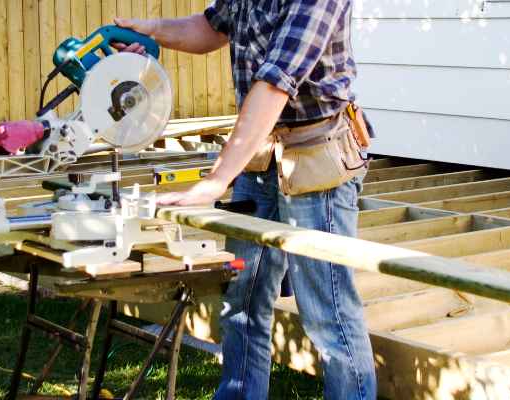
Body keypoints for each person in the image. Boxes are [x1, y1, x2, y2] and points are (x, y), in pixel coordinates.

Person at [115, 0, 376, 398]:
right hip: (261, 152)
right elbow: (210, 27)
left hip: (316, 159)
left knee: (330, 316)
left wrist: (217, 179)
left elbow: (275, 83)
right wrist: (150, 30)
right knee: (242, 299)